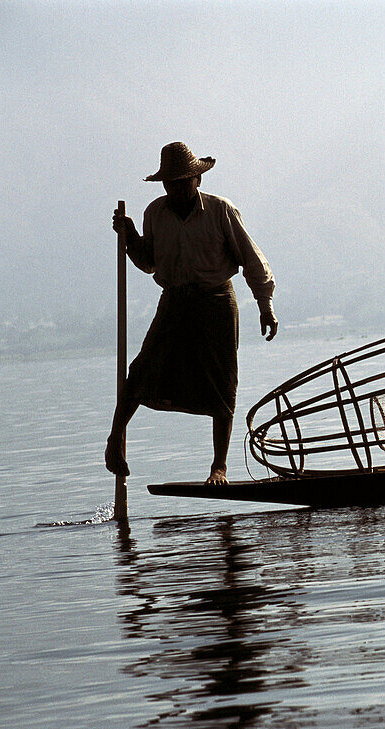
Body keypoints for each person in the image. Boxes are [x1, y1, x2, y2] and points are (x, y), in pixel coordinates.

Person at [107, 142, 279, 486]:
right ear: (164, 185)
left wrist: (265, 305)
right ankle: (115, 440)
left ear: (198, 180)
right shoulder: (155, 213)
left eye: (186, 181)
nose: (180, 188)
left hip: (215, 300)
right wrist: (129, 237)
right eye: (173, 183)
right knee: (142, 370)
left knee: (223, 383)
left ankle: (219, 467)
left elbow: (251, 258)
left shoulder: (220, 211)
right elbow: (149, 262)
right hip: (174, 300)